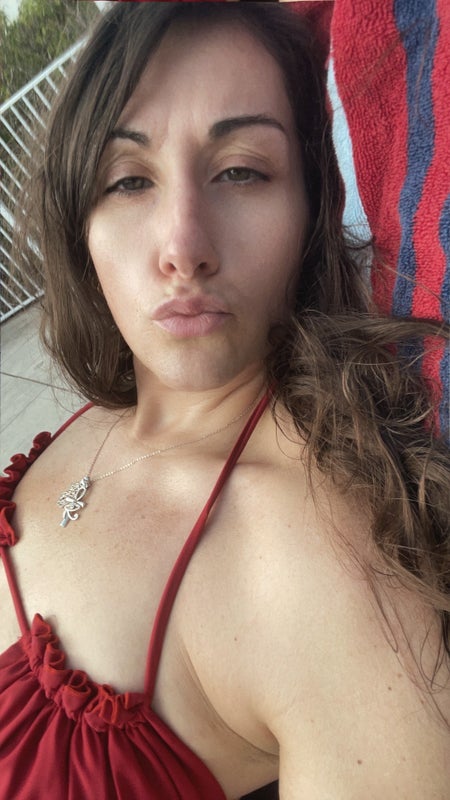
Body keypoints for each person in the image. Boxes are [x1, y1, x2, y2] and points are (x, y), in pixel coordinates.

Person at [0, 3, 449, 798]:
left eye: (241, 171)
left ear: (312, 206)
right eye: (128, 180)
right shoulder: (102, 416)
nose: (184, 247)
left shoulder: (324, 574)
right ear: (80, 225)